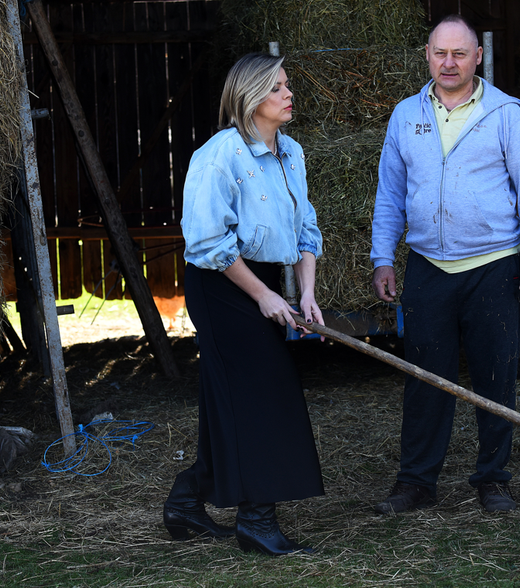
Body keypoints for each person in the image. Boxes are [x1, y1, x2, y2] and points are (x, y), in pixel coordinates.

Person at [370, 14, 520, 514]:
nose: (448, 63)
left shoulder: (504, 114)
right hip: (428, 264)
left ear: (478, 57)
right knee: (426, 376)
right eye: (439, 53)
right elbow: (389, 193)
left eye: (459, 54)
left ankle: (493, 480)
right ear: (426, 56)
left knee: (496, 374)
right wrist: (382, 256)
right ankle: (416, 483)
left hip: (493, 265)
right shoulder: (406, 115)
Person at [163, 52, 324, 555]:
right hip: (221, 286)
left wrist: (307, 294)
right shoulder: (219, 157)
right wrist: (264, 296)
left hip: (267, 281)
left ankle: (188, 500)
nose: (289, 94)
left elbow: (305, 231)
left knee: (233, 400)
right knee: (263, 395)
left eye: (288, 86)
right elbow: (209, 245)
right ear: (251, 97)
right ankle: (256, 520)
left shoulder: (291, 153)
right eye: (278, 88)